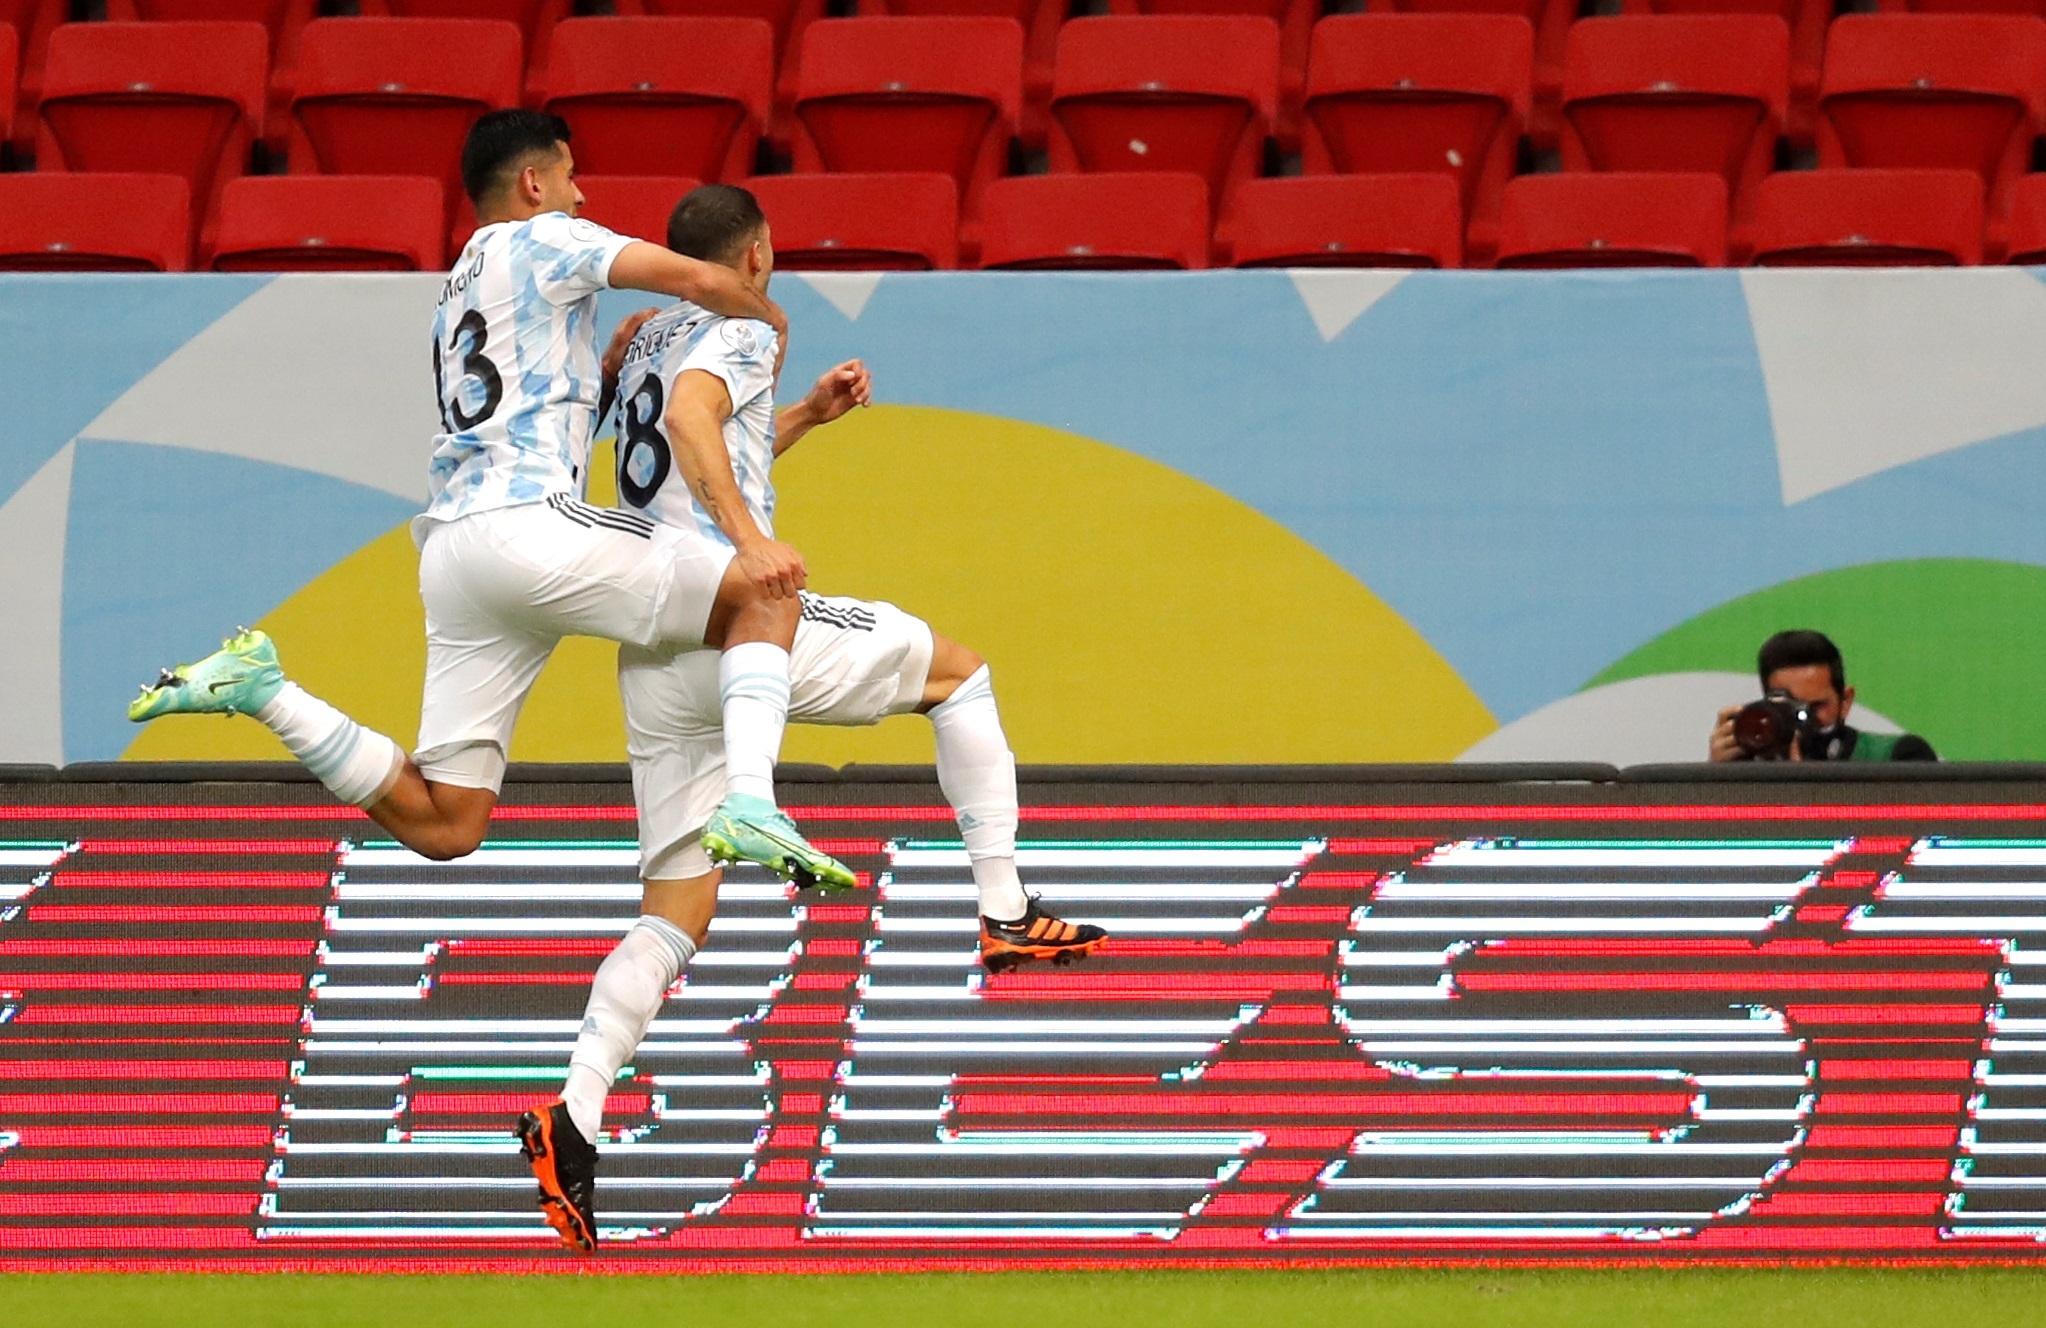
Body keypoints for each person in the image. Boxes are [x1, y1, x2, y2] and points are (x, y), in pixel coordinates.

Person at [514, 184, 1108, 1253]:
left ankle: (576, 1114)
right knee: (959, 675)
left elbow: (690, 459)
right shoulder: (744, 319)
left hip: (654, 647)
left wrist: (802, 424)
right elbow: (701, 431)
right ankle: (1004, 904)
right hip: (734, 621)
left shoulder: (650, 336)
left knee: (671, 915)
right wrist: (750, 544)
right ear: (754, 253)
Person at [126, 111, 851, 890]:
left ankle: (265, 691)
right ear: (533, 183)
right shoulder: (546, 236)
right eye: (571, 177)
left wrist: (605, 378)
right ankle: (749, 801)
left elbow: (515, 405)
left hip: (455, 553)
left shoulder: (459, 281)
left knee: (447, 821)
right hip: (531, 527)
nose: (582, 196)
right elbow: (702, 279)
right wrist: (771, 324)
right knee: (765, 587)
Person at [1708, 630, 1936, 762]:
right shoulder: (1750, 770)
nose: (1804, 718)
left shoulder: (1898, 757)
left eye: (1816, 706)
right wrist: (1717, 782)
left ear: (1845, 702)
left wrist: (1802, 788)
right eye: (1790, 707)